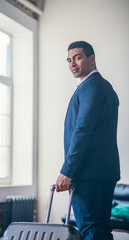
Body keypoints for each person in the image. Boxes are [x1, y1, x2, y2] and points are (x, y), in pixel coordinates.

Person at [55, 41, 120, 240]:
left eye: (78, 57)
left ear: (92, 59)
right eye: (69, 60)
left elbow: (82, 130)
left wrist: (68, 169)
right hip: (105, 172)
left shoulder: (89, 87)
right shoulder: (106, 87)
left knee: (91, 229)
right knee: (101, 229)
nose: (72, 63)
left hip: (87, 174)